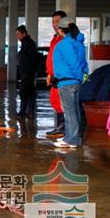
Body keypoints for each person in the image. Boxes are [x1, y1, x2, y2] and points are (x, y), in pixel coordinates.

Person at [53, 19, 88, 148]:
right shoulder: (78, 43)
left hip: (67, 82)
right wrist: (82, 78)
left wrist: (78, 77)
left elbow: (73, 62)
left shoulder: (65, 44)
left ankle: (71, 139)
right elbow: (84, 64)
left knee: (69, 112)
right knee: (75, 111)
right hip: (75, 81)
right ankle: (72, 137)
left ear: (60, 30)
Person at [46, 11, 67, 138]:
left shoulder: (67, 39)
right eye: (53, 22)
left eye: (57, 21)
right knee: (55, 101)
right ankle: (58, 127)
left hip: (62, 76)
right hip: (54, 76)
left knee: (63, 103)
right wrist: (49, 73)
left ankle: (63, 128)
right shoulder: (55, 38)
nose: (54, 24)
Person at [16, 25, 38, 117]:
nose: (17, 36)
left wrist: (30, 69)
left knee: (25, 91)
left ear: (24, 33)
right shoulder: (25, 43)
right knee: (29, 91)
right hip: (25, 71)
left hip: (28, 72)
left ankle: (23, 111)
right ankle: (29, 112)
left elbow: (33, 58)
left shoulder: (29, 43)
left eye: (18, 34)